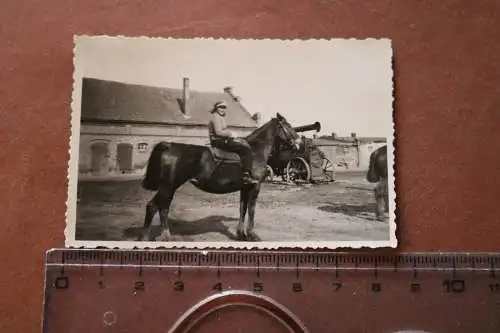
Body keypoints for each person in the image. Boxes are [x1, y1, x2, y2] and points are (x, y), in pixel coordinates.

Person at [208, 101, 259, 185]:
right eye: (220, 107)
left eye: (224, 107)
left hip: (222, 140)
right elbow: (218, 132)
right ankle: (246, 175)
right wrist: (230, 134)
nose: (222, 109)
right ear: (216, 108)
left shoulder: (219, 117)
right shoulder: (215, 117)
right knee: (246, 150)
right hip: (218, 141)